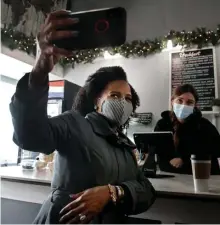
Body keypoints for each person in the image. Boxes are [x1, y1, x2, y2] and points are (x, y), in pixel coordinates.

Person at [10, 10, 155, 224]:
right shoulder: (74, 124)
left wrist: (112, 192)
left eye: (128, 98)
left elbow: (147, 191)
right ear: (97, 101)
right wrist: (40, 70)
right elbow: (29, 136)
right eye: (115, 95)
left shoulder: (126, 145)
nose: (123, 102)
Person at [154, 84, 220, 175]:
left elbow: (219, 159)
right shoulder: (162, 125)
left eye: (189, 102)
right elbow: (160, 155)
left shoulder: (206, 127)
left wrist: (184, 160)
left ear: (195, 106)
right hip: (168, 178)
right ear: (172, 101)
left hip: (200, 179)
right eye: (180, 100)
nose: (184, 105)